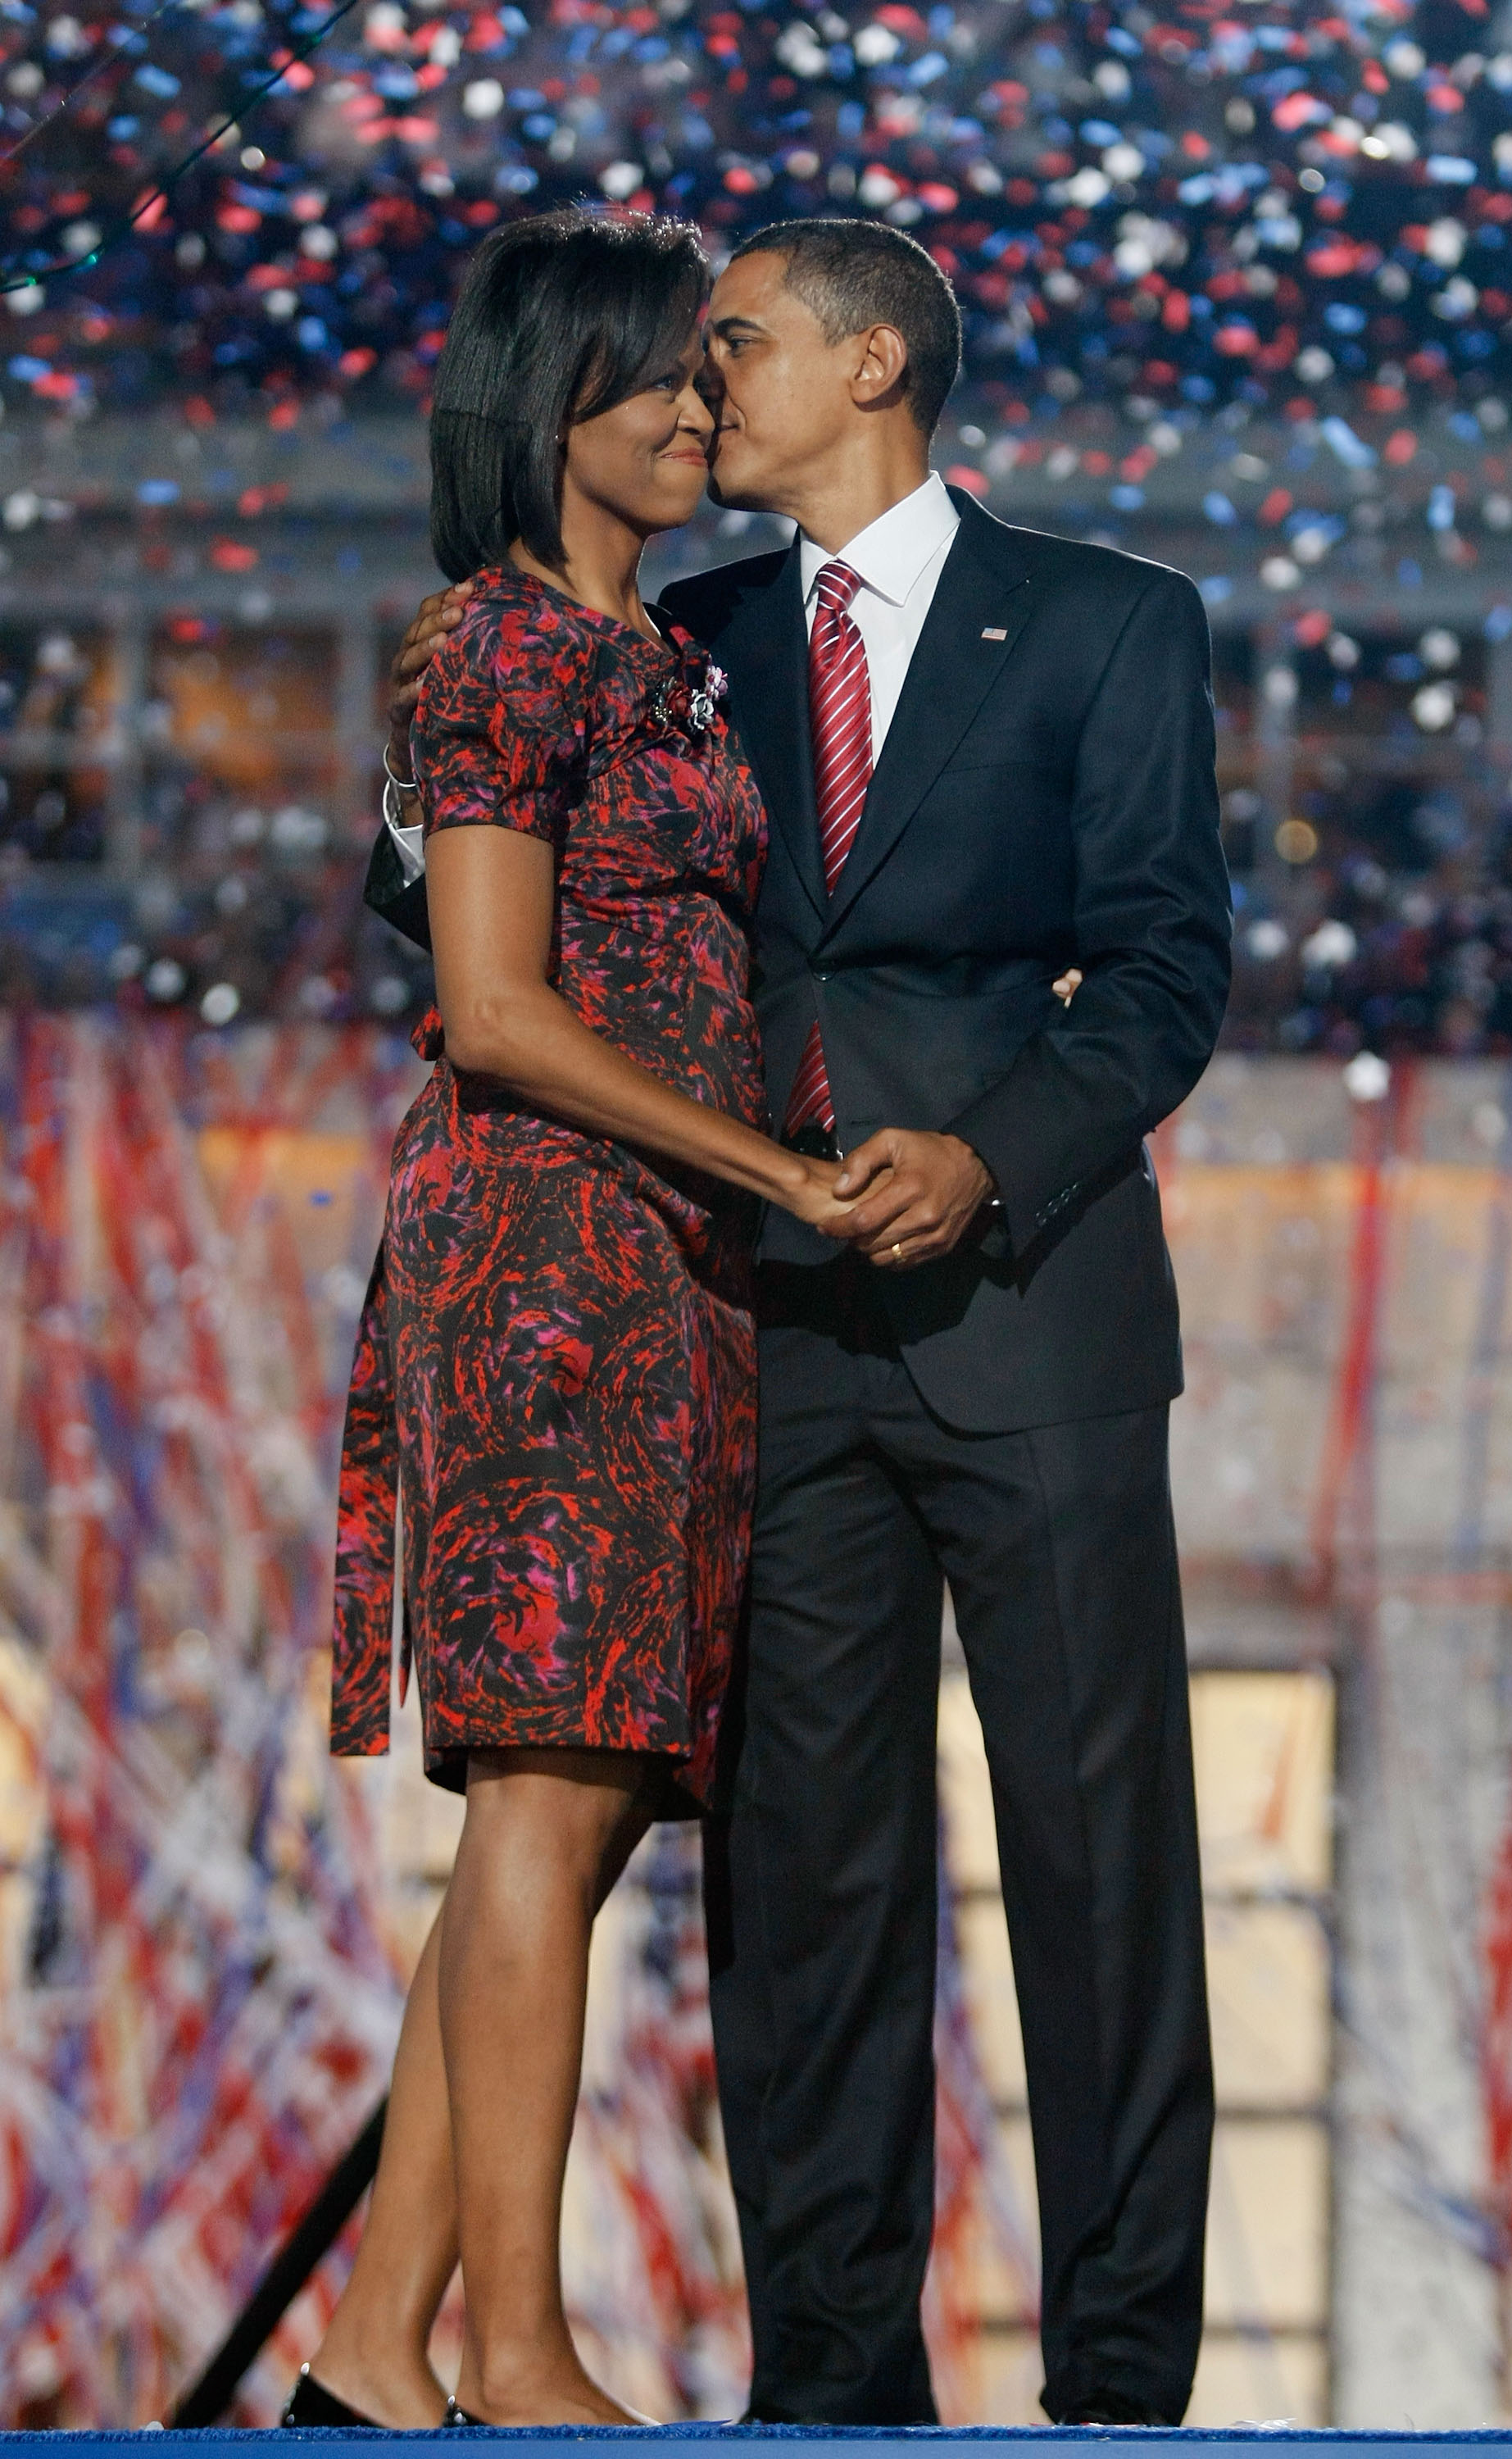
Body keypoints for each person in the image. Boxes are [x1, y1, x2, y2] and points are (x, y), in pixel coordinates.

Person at [373, 216, 1229, 2429]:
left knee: (1098, 1860)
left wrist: (996, 1149)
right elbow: (520, 886)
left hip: (1029, 1305)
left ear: (870, 363)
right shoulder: (686, 639)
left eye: (734, 341)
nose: (698, 378)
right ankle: (834, 2394)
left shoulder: (1116, 626)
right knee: (804, 1890)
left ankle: (1125, 2388)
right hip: (761, 1329)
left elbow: (1159, 971)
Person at [290, 207, 860, 2435]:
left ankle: (367, 2350)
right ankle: (514, 2351)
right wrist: (784, 1177)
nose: (710, 407)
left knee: (583, 1797)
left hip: (664, 1260)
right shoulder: (497, 656)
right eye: (674, 373)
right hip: (553, 1245)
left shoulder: (659, 661)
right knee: (542, 1791)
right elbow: (500, 1015)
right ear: (560, 398)